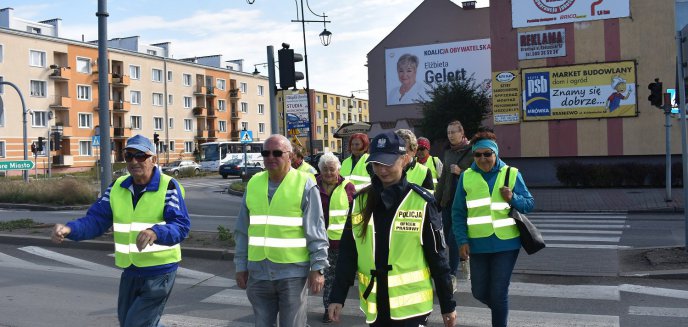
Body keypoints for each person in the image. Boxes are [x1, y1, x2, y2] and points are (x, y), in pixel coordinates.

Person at [51, 134, 190, 327]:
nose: (134, 161)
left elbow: (181, 226)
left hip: (160, 271)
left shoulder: (168, 187)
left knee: (136, 324)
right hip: (131, 270)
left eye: (140, 156)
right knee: (129, 322)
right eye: (129, 156)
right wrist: (70, 229)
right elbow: (97, 220)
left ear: (153, 160)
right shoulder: (117, 187)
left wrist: (156, 232)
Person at [328, 131, 457, 327]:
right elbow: (348, 254)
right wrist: (337, 296)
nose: (382, 169)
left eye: (388, 162)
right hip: (376, 305)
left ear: (404, 159)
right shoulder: (360, 202)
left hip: (412, 309)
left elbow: (437, 258)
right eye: (377, 163)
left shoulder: (421, 202)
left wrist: (448, 305)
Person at [234, 134, 329, 327]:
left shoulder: (304, 183)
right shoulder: (253, 183)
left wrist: (318, 268)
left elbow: (316, 229)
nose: (270, 157)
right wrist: (240, 265)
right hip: (258, 272)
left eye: (277, 153)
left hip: (292, 273)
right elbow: (243, 230)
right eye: (266, 153)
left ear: (290, 155)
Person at [452, 128, 534, 327]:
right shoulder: (467, 176)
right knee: (479, 292)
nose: (482, 159)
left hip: (507, 244)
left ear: (495, 153)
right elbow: (458, 212)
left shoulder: (511, 174)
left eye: (487, 154)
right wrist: (462, 240)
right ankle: (500, 307)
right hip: (478, 244)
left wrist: (512, 197)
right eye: (478, 155)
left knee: (499, 292)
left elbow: (529, 204)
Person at [316, 152, 356, 323]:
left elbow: (355, 214)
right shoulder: (312, 185)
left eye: (332, 169)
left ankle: (329, 309)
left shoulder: (348, 186)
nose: (329, 173)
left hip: (338, 241)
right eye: (325, 169)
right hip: (316, 241)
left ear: (338, 169)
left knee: (332, 278)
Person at [435, 120, 473, 286]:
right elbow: (443, 178)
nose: (450, 135)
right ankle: (464, 257)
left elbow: (478, 175)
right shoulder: (448, 153)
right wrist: (436, 200)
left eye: (453, 132)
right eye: (448, 132)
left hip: (463, 203)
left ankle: (452, 275)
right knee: (448, 239)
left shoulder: (472, 152)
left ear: (462, 132)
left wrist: (461, 171)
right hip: (447, 201)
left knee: (453, 239)